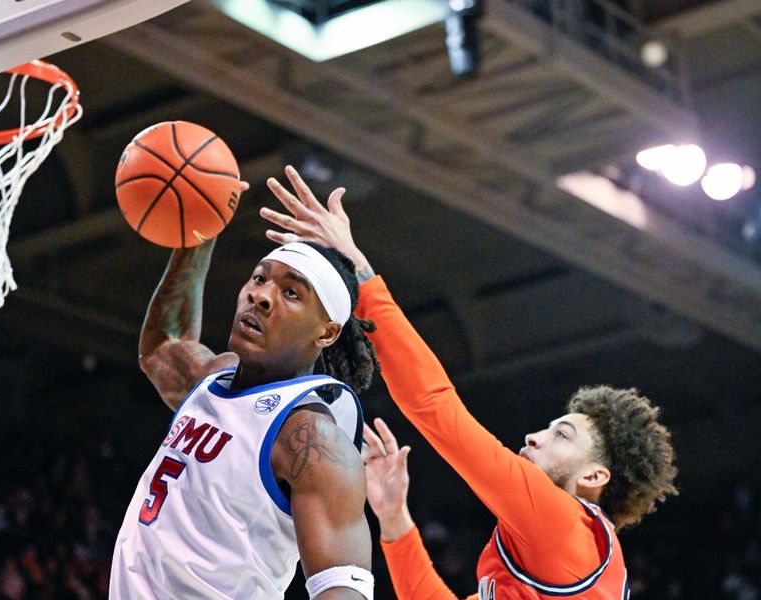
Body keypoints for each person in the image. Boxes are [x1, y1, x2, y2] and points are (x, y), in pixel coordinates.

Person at [261, 165, 679, 599]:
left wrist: (359, 271)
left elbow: (434, 405)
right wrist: (395, 519)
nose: (534, 437)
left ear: (594, 475)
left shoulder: (560, 523)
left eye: (561, 435)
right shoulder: (570, 555)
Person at [110, 179, 379, 600]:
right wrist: (199, 231)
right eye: (259, 278)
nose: (261, 296)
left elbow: (344, 588)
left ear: (326, 333)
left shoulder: (312, 439)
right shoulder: (216, 378)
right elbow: (163, 347)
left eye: (291, 293)